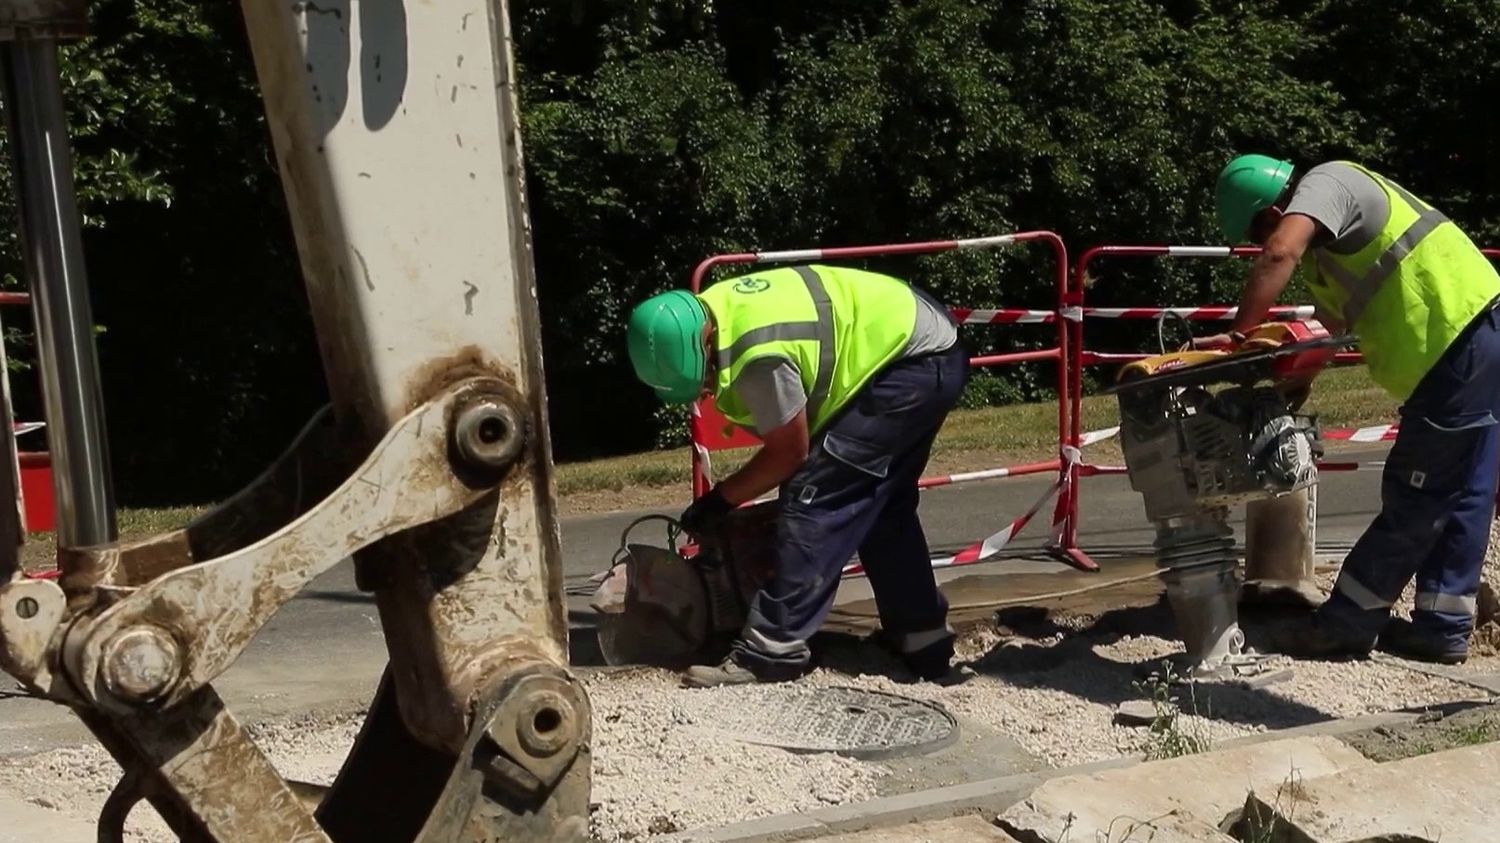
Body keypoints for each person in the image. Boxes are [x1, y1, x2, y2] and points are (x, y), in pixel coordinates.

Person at [1204, 154, 1500, 664]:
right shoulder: (1334, 252)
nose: (1261, 243)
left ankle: (1345, 624)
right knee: (1464, 488)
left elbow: (1278, 255)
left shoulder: (1329, 182)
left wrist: (1237, 338)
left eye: (1259, 229)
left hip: (1459, 343)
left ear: (1274, 207)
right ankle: (1442, 626)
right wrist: (1300, 381)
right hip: (1475, 337)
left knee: (1418, 491)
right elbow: (1332, 321)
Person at [625, 264, 969, 686]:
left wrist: (721, 500)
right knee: (879, 505)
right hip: (920, 344)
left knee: (816, 496)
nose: (708, 390)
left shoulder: (758, 356)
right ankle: (922, 639)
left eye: (706, 379)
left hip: (910, 362)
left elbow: (789, 453)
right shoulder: (717, 307)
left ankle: (773, 651)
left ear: (705, 344)